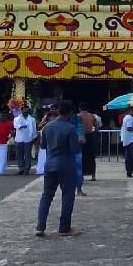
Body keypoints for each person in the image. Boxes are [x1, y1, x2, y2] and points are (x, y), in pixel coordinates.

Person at [35, 100, 81, 238]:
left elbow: (43, 146)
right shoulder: (70, 128)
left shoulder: (47, 127)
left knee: (46, 196)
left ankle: (40, 226)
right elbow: (74, 149)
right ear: (70, 113)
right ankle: (64, 228)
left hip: (50, 164)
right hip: (65, 164)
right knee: (67, 196)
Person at [77, 103, 101, 182]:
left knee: (81, 157)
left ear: (80, 108)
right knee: (91, 157)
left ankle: (81, 175)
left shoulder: (78, 116)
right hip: (90, 137)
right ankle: (93, 175)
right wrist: (94, 134)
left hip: (81, 137)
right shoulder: (92, 116)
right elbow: (97, 127)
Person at [13, 108, 37, 175]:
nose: (25, 111)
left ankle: (26, 169)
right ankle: (21, 168)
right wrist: (22, 126)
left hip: (28, 139)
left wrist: (34, 138)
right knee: (19, 155)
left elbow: (34, 129)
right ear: (21, 111)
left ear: (28, 111)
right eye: (24, 110)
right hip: (19, 139)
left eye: (27, 110)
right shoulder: (16, 119)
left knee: (27, 155)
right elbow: (16, 126)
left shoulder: (32, 119)